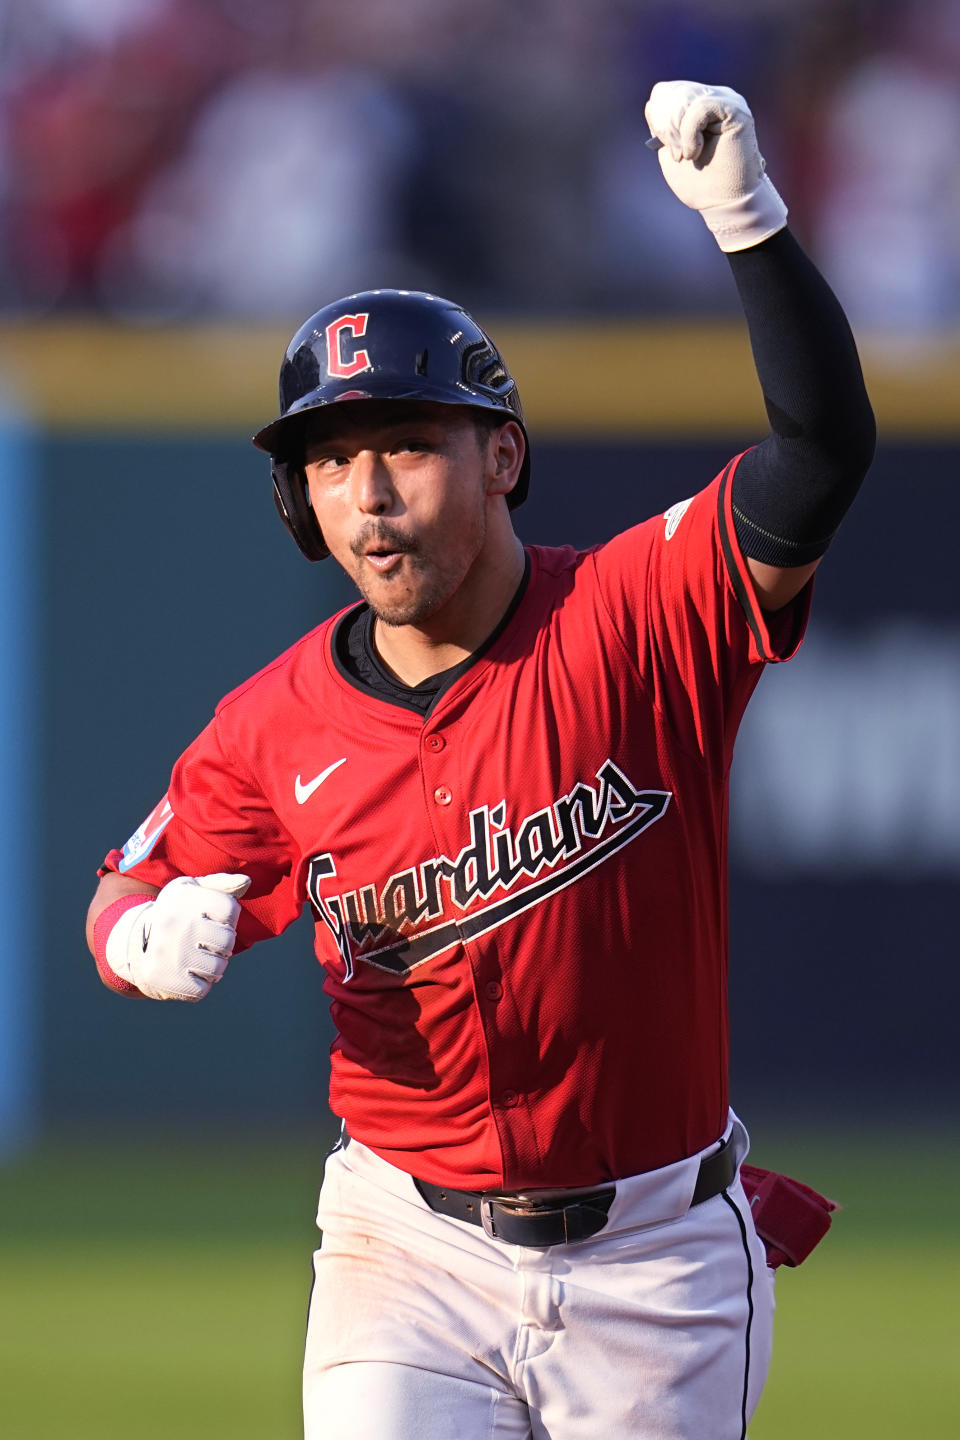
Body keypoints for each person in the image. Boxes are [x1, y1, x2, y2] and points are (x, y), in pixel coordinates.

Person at [85, 82, 875, 1439]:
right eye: (330, 463)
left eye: (405, 444)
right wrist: (142, 936)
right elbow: (121, 893)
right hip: (408, 1250)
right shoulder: (270, 725)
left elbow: (822, 453)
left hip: (659, 1261)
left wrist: (746, 221)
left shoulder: (640, 614)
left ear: (501, 453)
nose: (371, 496)